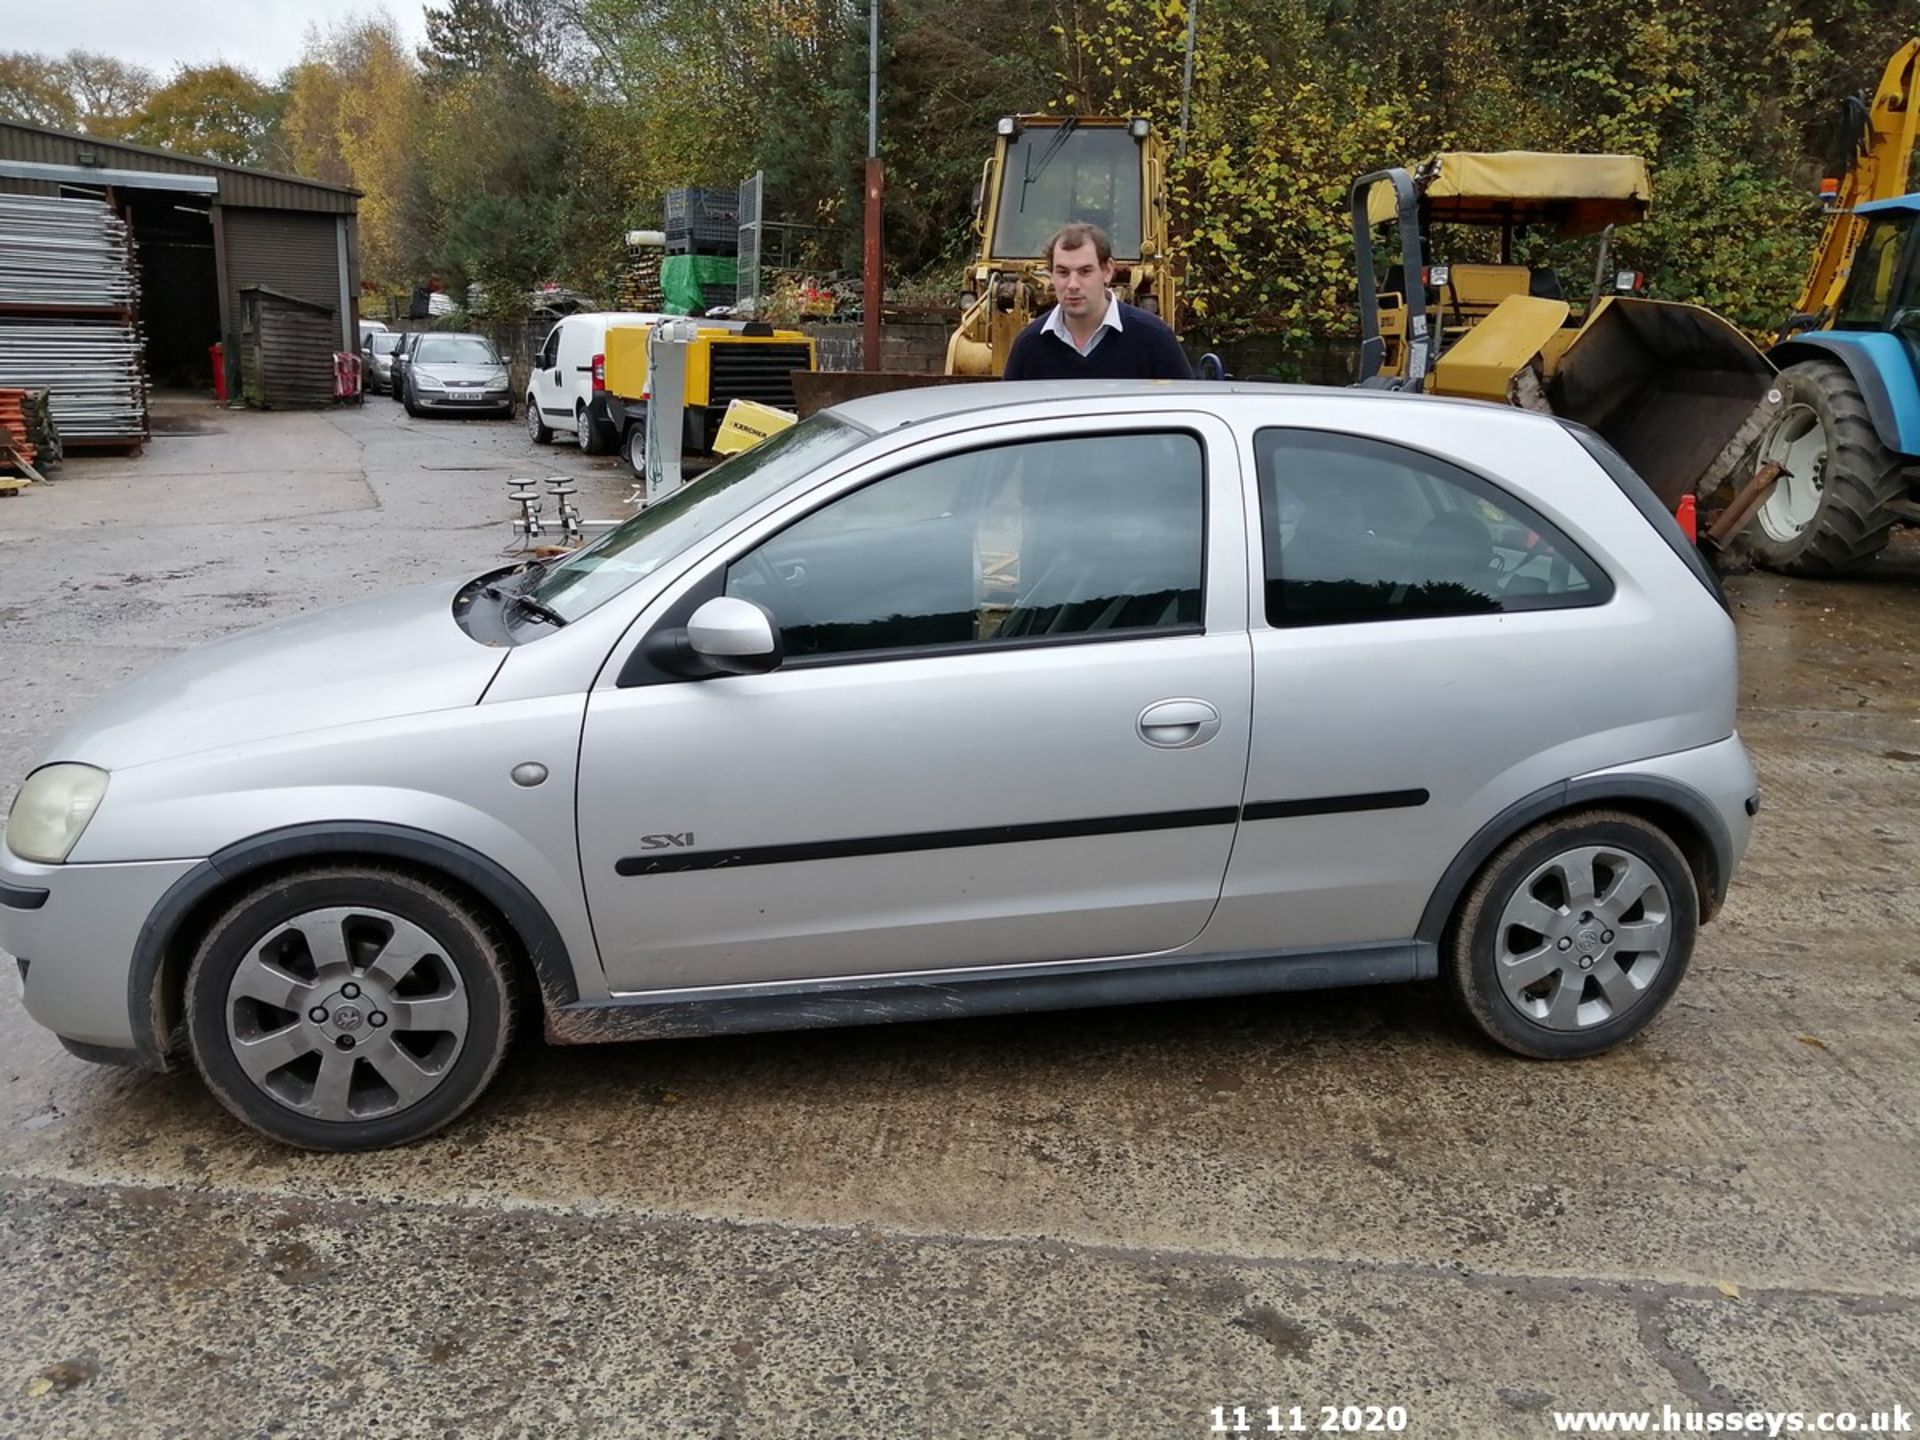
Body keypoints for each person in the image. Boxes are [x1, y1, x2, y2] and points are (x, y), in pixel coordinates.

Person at [1002, 222, 1193, 381]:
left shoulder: (1153, 339)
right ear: (1051, 274)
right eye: (1063, 272)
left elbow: (1186, 412)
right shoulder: (1029, 346)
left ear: (1107, 270)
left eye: (1085, 271)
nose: (1073, 284)